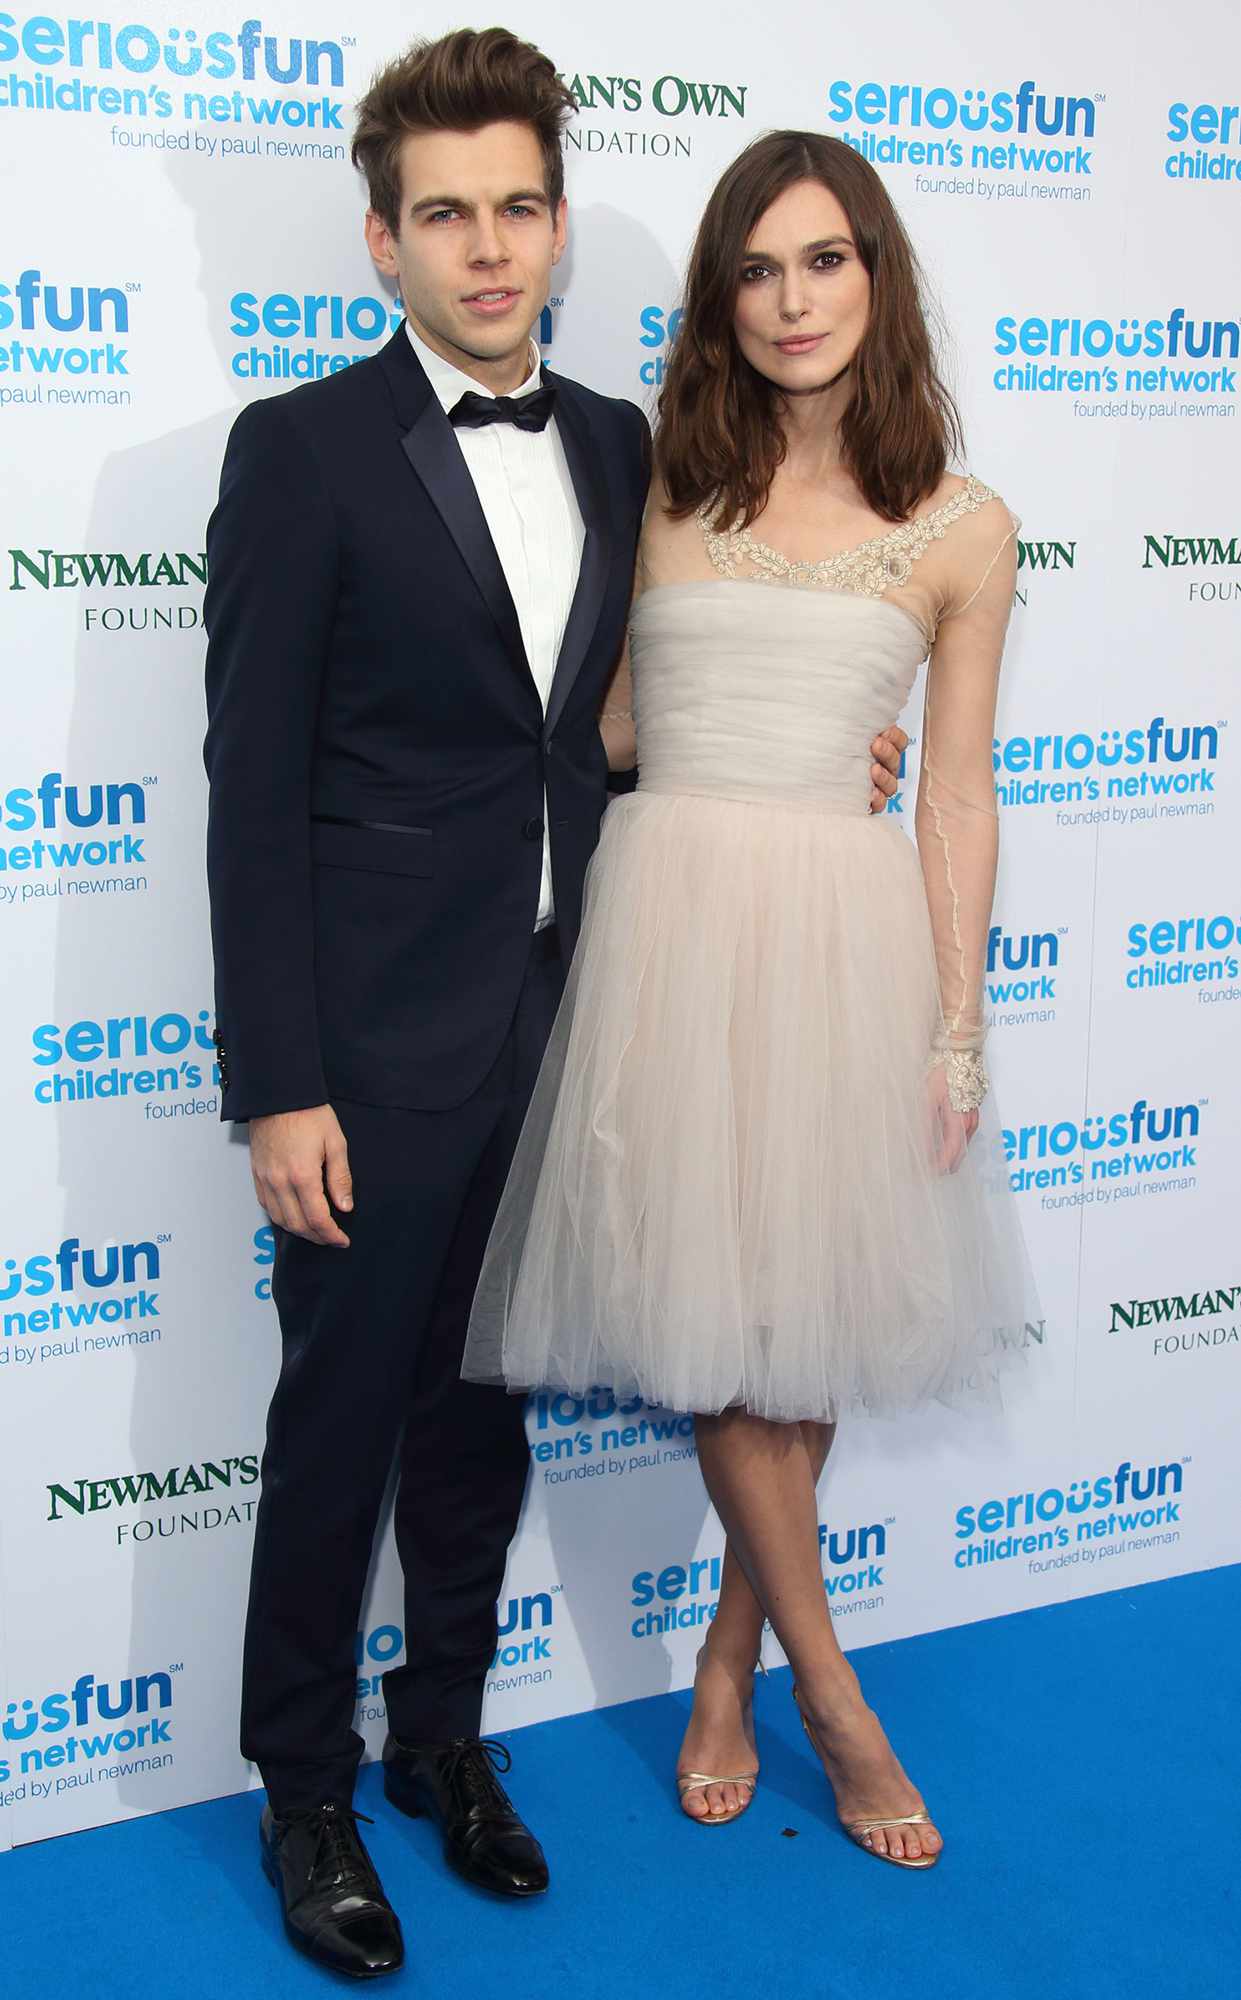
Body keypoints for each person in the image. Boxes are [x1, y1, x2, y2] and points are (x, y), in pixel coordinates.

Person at [203, 36, 908, 1976]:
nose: (489, 246)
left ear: (562, 224)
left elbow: (643, 715)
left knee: (480, 1428)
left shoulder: (622, 445)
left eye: (519, 206)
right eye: (448, 213)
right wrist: (278, 1081)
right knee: (338, 1424)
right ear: (383, 241)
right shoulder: (303, 450)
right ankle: (306, 1791)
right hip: (363, 1050)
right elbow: (251, 795)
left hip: (568, 1031)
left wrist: (807, 760)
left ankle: (441, 1742)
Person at [464, 129, 1033, 1871]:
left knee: (804, 1313)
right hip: (671, 929)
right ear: (722, 294)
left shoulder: (961, 523)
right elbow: (603, 728)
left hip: (843, 937)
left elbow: (952, 787)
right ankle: (832, 1699)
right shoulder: (658, 482)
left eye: (827, 260)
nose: (793, 300)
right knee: (721, 1322)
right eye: (758, 268)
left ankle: (726, 1652)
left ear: (878, 275)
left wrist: (956, 1017)